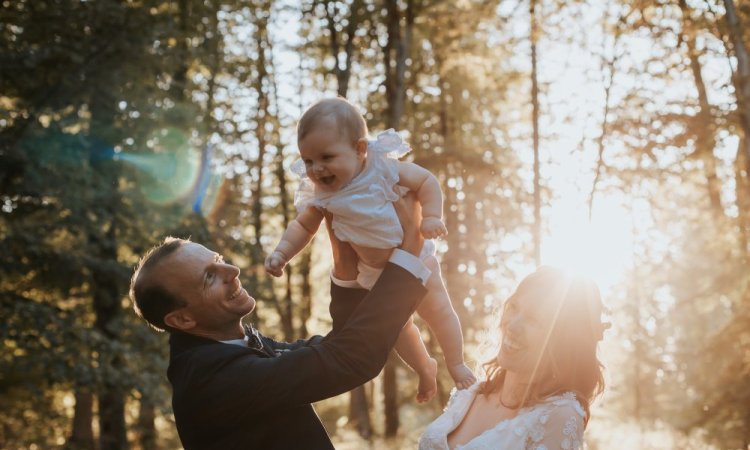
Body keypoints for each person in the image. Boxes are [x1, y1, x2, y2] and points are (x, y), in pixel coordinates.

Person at [129, 197, 430, 450]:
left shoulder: (234, 347)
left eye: (219, 259)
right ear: (182, 319)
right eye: (209, 276)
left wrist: (344, 265)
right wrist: (408, 253)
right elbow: (350, 359)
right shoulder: (212, 379)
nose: (232, 270)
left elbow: (331, 348)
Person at [264, 97, 476, 402]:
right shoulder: (321, 194)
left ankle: (455, 362)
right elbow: (302, 226)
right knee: (398, 330)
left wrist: (430, 217)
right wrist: (282, 253)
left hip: (417, 261)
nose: (316, 169)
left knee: (439, 311)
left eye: (326, 157)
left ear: (360, 149)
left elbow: (426, 181)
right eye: (308, 161)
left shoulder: (382, 169)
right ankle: (425, 367)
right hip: (374, 274)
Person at [419, 266, 610, 450]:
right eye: (514, 307)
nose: (512, 326)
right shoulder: (468, 394)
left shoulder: (558, 417)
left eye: (533, 319)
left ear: (562, 342)